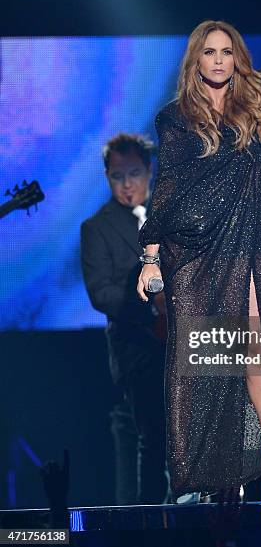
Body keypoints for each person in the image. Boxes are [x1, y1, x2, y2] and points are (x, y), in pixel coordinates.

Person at [137, 0, 261, 502]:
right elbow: (169, 187)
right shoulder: (176, 120)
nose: (219, 60)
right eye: (209, 52)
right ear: (196, 61)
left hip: (254, 243)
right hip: (198, 254)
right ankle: (211, 481)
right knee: (207, 366)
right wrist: (150, 256)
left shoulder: (260, 107)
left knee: (257, 355)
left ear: (237, 57)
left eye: (227, 51)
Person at [80, 134, 168, 504]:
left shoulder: (169, 217)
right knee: (153, 437)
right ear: (107, 176)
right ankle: (153, 522)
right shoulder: (96, 228)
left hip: (184, 339)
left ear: (150, 171)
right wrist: (152, 313)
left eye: (134, 173)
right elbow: (103, 293)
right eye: (118, 176)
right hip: (138, 346)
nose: (128, 184)